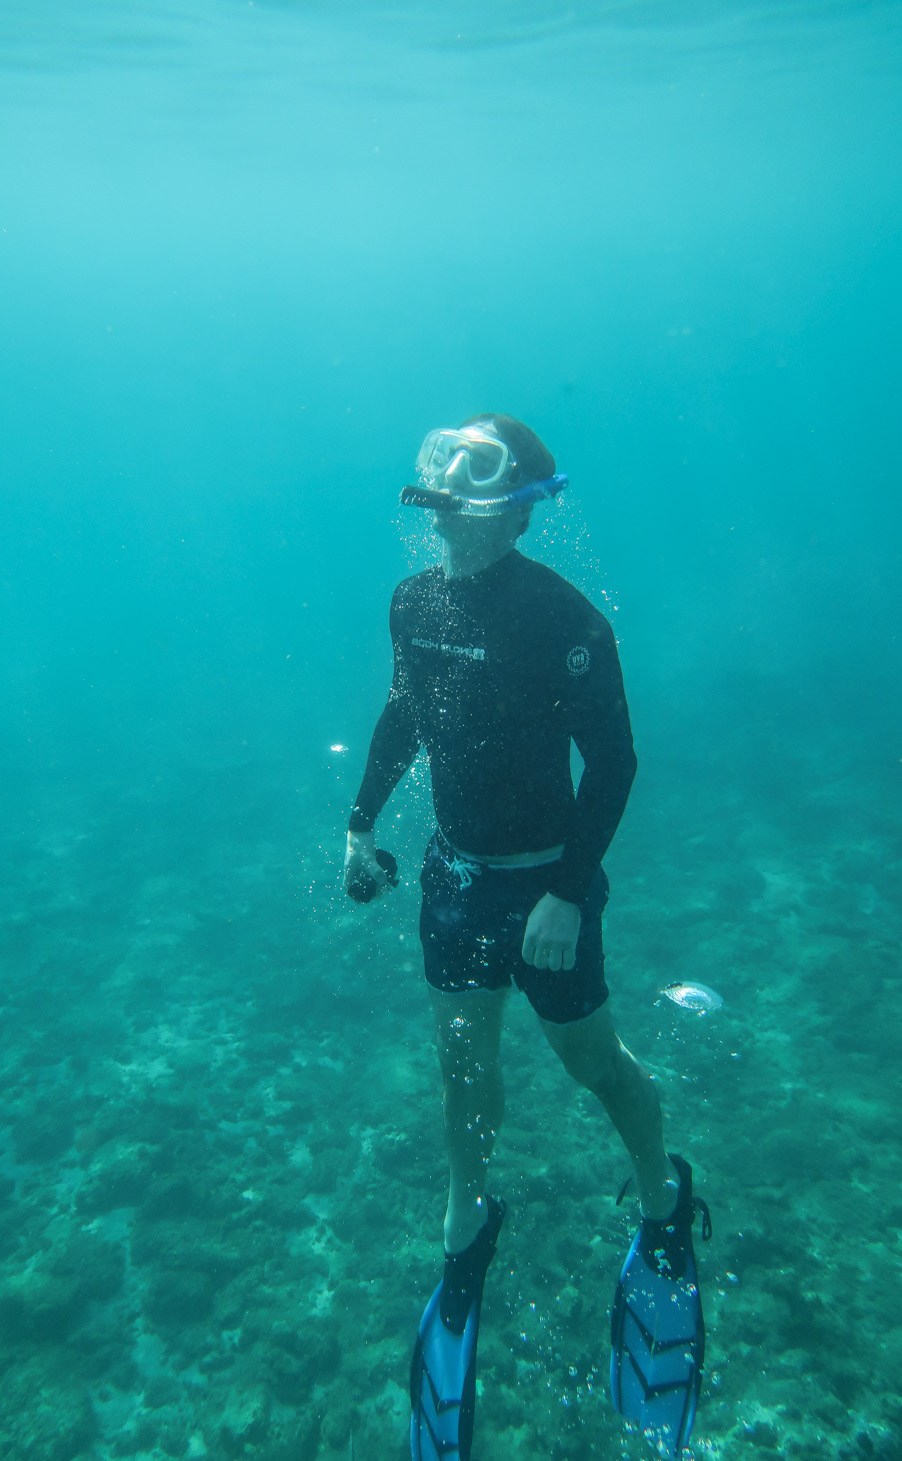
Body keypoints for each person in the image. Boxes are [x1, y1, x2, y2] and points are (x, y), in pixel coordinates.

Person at [344, 415, 710, 1461]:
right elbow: (403, 715)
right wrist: (359, 825)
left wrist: (563, 893)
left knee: (589, 1063)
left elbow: (616, 763)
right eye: (447, 467)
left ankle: (662, 1199)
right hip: (454, 877)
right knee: (462, 1062)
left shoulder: (563, 619)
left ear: (520, 504)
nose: (455, 490)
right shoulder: (412, 603)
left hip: (546, 890)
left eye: (482, 473)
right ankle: (466, 1230)